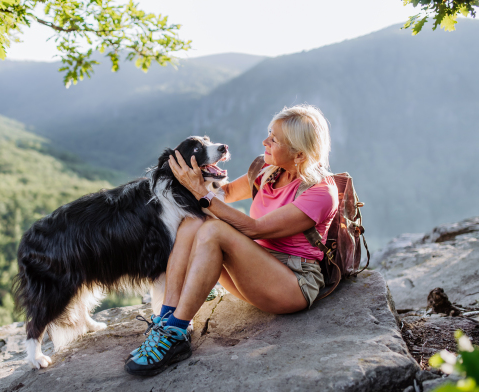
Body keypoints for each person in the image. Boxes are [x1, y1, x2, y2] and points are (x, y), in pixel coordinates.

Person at [124, 104, 339, 377]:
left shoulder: (321, 192)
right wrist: (189, 181)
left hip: (292, 285)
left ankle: (175, 334)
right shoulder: (267, 171)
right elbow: (221, 194)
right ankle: (167, 318)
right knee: (193, 220)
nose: (265, 142)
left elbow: (255, 229)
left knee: (214, 229)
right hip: (255, 273)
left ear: (299, 153)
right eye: (268, 133)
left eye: (274, 139)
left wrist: (201, 193)